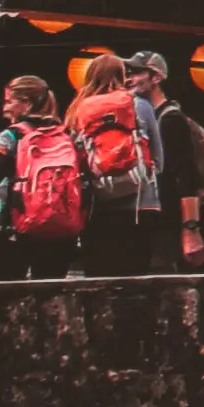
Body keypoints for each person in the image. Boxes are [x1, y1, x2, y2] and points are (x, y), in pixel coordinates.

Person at [58, 53, 158, 277]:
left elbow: (74, 160)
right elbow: (159, 158)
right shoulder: (140, 106)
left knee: (99, 282)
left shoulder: (78, 110)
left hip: (98, 208)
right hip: (140, 207)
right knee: (136, 283)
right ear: (122, 76)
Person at [0, 73, 91, 279]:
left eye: (9, 101)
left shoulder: (12, 136)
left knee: (9, 299)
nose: (4, 108)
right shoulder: (68, 136)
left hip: (16, 229)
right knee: (50, 298)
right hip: (61, 231)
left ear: (26, 103)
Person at [130, 53, 204, 268]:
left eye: (137, 72)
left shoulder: (170, 120)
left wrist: (191, 228)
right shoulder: (146, 116)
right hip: (149, 219)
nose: (130, 78)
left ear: (156, 77)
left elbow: (186, 176)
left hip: (166, 222)